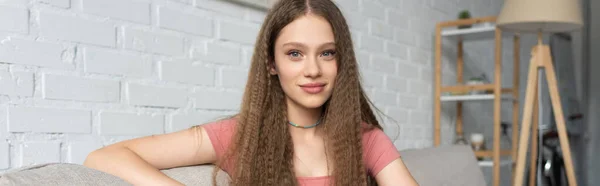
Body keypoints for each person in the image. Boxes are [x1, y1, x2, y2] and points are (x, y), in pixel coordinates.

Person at [83, 0, 418, 185]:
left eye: (327, 53)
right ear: (271, 64)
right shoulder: (241, 136)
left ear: (341, 61)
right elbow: (103, 157)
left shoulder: (367, 139)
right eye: (295, 54)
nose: (313, 69)